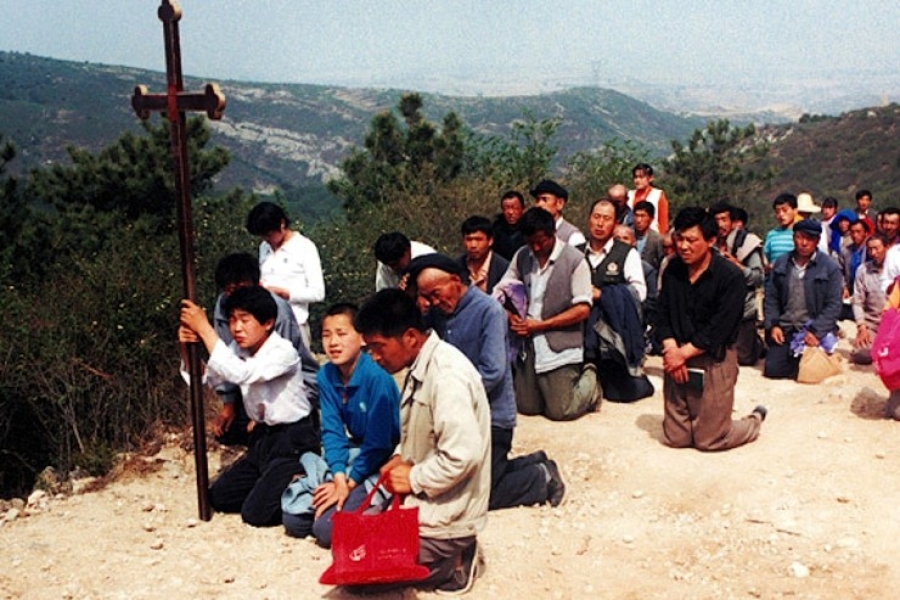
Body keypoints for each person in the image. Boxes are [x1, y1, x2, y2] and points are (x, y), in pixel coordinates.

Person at [354, 288, 491, 595]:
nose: (374, 357)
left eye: (378, 347)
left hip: (448, 516)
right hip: (426, 502)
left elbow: (463, 456)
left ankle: (454, 563)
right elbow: (417, 431)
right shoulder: (421, 365)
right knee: (352, 544)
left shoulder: (447, 376)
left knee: (365, 573)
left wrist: (413, 477)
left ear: (411, 337)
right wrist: (399, 456)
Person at [409, 255, 566, 510]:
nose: (435, 302)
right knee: (460, 479)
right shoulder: (438, 313)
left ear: (455, 280)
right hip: (459, 416)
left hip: (491, 416)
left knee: (478, 496)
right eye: (428, 297)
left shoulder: (488, 310)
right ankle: (530, 463)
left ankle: (540, 478)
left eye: (436, 294)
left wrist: (452, 398)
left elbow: (493, 371)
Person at [178, 286, 319, 526]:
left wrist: (204, 329)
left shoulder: (282, 351)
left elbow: (240, 373)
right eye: (232, 320)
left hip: (292, 440)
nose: (236, 328)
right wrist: (186, 348)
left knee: (255, 514)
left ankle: (301, 479)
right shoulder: (238, 349)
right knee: (220, 497)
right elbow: (209, 378)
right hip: (263, 438)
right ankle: (272, 484)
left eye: (244, 320)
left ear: (268, 323)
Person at [282, 303, 400, 545]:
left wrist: (349, 484)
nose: (333, 342)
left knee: (326, 531)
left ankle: (382, 509)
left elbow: (379, 443)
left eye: (342, 333)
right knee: (294, 521)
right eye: (327, 335)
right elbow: (332, 431)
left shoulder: (377, 377)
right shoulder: (326, 375)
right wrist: (337, 478)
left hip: (384, 457)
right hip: (356, 453)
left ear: (362, 338)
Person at [656, 207, 766, 451]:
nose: (683, 246)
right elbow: (661, 312)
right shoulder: (672, 269)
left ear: (711, 241)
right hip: (678, 355)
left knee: (709, 440)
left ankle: (753, 421)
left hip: (714, 356)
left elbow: (720, 328)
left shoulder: (730, 276)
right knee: (676, 438)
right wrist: (672, 349)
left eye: (691, 240)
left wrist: (683, 354)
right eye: (680, 239)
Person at [497, 207, 600, 421]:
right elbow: (501, 290)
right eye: (530, 242)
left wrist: (542, 325)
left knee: (561, 410)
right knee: (527, 407)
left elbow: (582, 309)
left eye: (540, 242)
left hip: (560, 344)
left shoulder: (575, 260)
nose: (536, 247)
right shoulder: (522, 255)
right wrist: (510, 316)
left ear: (552, 233)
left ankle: (592, 381)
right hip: (528, 344)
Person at [211, 253, 319, 446]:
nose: (235, 296)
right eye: (229, 291)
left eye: (241, 289)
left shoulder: (275, 310)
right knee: (228, 432)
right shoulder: (224, 307)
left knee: (274, 434)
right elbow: (225, 360)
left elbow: (276, 365)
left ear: (257, 285)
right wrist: (229, 404)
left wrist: (262, 415)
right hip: (250, 380)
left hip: (287, 387)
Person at [580, 199, 653, 402]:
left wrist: (603, 295)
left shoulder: (626, 253)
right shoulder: (575, 252)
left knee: (619, 394)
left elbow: (639, 292)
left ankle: (641, 381)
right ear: (589, 219)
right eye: (596, 217)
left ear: (615, 223)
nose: (600, 223)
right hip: (578, 330)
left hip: (612, 335)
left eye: (606, 219)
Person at [763, 220, 843, 380]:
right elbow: (771, 297)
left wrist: (816, 331)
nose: (804, 243)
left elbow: (834, 304)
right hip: (786, 327)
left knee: (810, 370)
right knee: (772, 369)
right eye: (800, 237)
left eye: (809, 238)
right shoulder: (782, 262)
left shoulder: (829, 267)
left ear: (817, 241)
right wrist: (774, 325)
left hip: (813, 328)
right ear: (793, 238)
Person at [246, 201, 325, 350]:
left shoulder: (304, 247)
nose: (266, 239)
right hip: (267, 325)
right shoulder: (264, 247)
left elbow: (318, 293)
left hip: (295, 323)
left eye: (269, 234)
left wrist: (286, 294)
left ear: (282, 224)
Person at [710, 202, 765, 365]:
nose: (720, 225)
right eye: (717, 220)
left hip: (742, 310)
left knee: (742, 358)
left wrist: (738, 267)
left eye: (724, 220)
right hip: (715, 309)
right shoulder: (708, 242)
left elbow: (758, 277)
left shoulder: (747, 243)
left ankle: (756, 344)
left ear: (733, 222)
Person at [851, 234, 891, 365]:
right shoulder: (863, 270)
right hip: (872, 325)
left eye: (876, 248)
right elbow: (857, 301)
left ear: (887, 248)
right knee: (862, 355)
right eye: (870, 249)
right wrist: (862, 327)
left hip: (895, 325)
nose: (873, 253)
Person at [457, 215, 509, 295]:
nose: (473, 245)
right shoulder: (457, 267)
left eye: (478, 240)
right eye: (469, 239)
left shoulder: (504, 268)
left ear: (490, 241)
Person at [530, 179, 586, 246]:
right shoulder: (532, 233)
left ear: (560, 203)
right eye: (537, 200)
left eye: (544, 199)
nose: (539, 204)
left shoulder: (574, 237)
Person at [628, 163, 669, 233]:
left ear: (650, 178)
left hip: (652, 235)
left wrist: (662, 237)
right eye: (635, 177)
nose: (637, 180)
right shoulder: (629, 194)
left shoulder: (658, 194)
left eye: (641, 177)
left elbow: (663, 222)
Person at [763, 193, 799, 270]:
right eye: (777, 212)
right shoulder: (772, 235)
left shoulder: (800, 234)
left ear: (795, 211)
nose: (781, 214)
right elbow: (766, 257)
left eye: (785, 210)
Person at [493, 190, 527, 261]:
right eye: (506, 208)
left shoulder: (529, 228)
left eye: (515, 208)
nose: (510, 212)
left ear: (523, 209)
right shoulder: (495, 229)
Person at [634, 200, 665, 270]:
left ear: (651, 219)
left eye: (642, 216)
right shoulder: (628, 236)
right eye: (636, 215)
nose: (638, 220)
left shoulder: (658, 240)